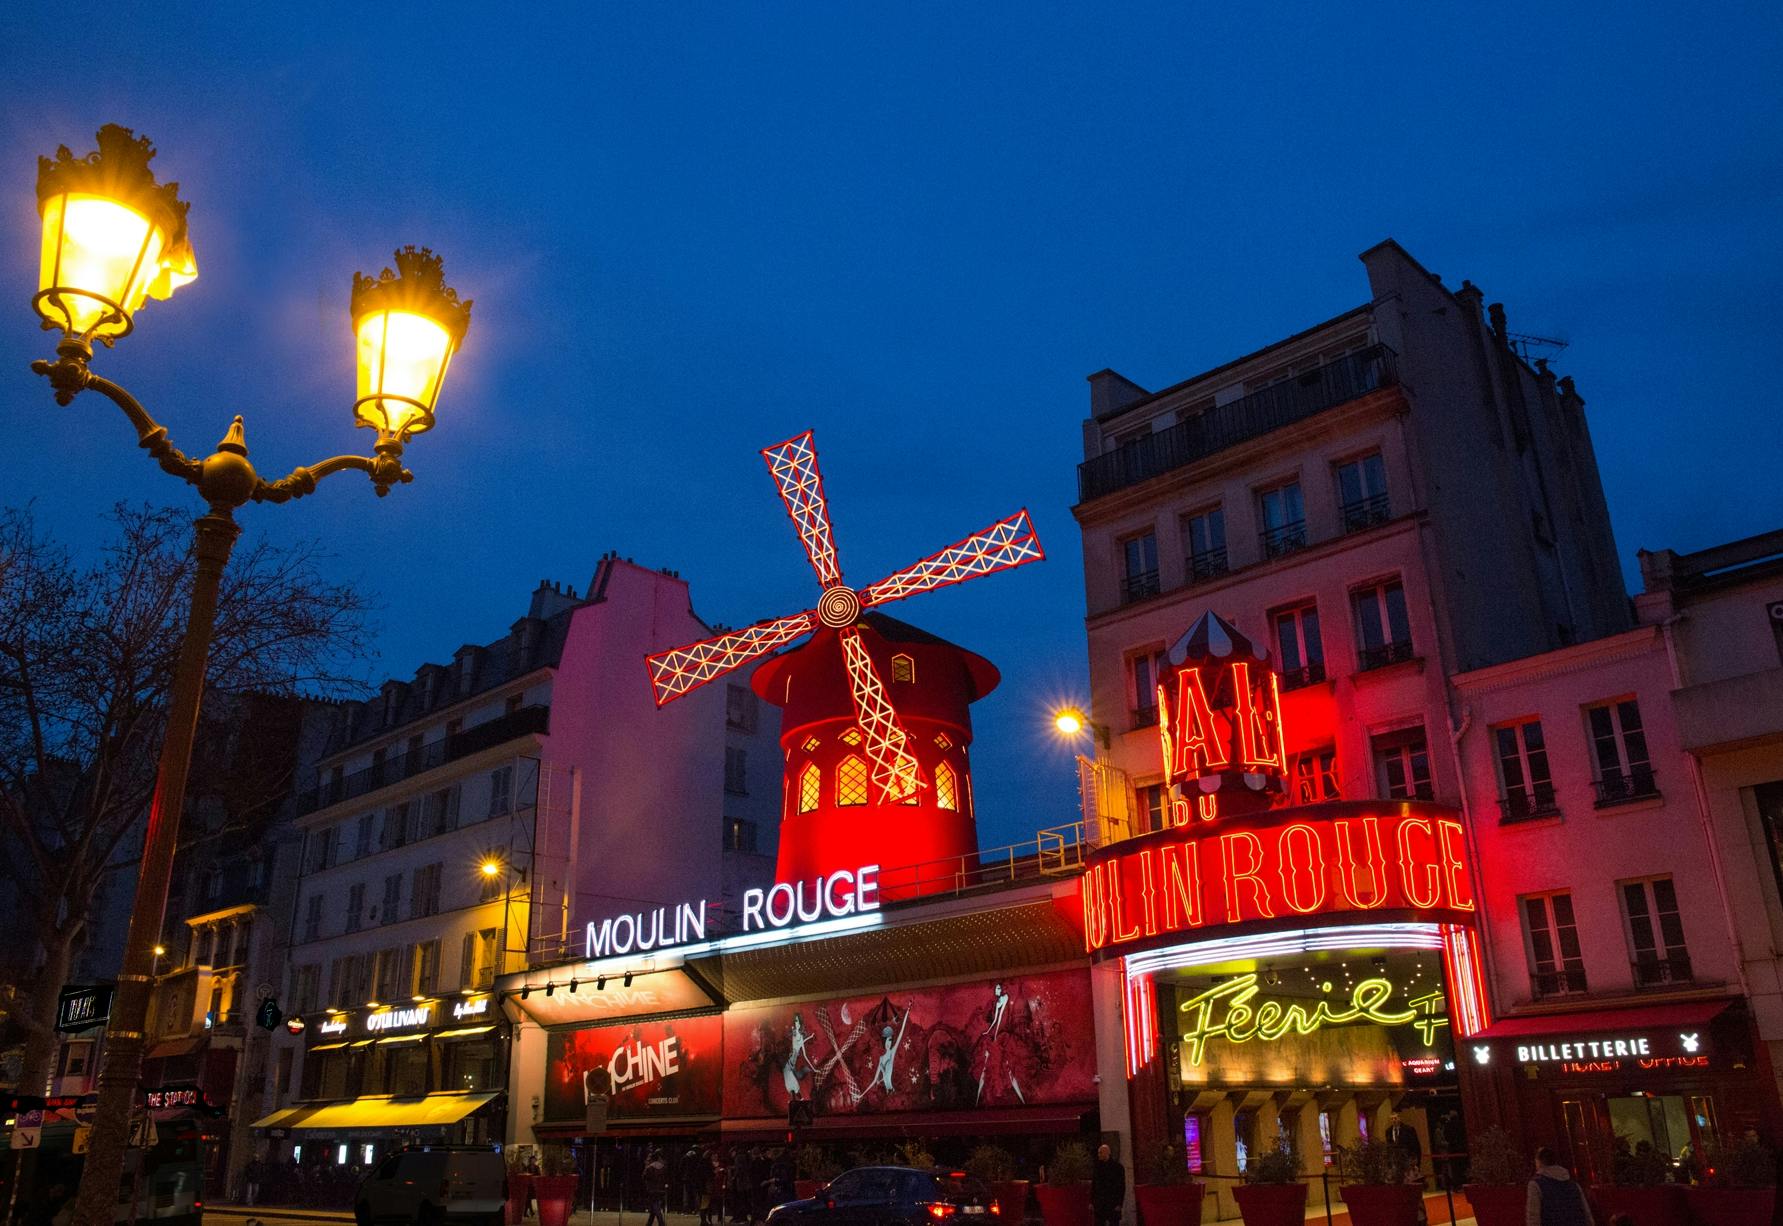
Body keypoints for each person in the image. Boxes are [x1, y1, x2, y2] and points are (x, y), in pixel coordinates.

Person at [1526, 1146, 1593, 1226]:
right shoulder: (1574, 1185)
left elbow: (1533, 1216)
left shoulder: (1536, 1185)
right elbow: (1586, 1212)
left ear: (1539, 1162)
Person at [1090, 1143, 1125, 1226]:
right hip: (1100, 1203)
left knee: (1113, 1223)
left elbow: (1121, 1186)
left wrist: (1119, 1203)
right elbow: (1094, 1185)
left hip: (1112, 1202)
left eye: (1100, 1152)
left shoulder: (1117, 1167)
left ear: (1107, 1152)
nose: (1099, 1155)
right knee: (1098, 1223)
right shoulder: (1097, 1167)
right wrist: (1092, 1201)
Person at [644, 1147, 670, 1226]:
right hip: (661, 1189)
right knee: (654, 1207)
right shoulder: (663, 1167)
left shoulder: (649, 1168)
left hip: (652, 1189)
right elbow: (667, 1178)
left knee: (655, 1206)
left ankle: (661, 1223)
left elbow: (644, 1177)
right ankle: (649, 1224)